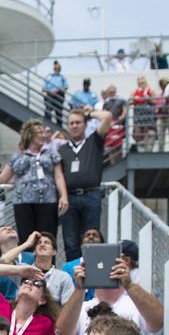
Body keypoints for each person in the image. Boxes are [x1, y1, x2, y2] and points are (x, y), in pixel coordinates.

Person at [59, 240, 164, 335]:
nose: (105, 268)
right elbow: (63, 333)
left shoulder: (136, 305)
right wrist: (79, 288)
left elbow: (159, 321)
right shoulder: (82, 306)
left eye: (112, 264)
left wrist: (129, 284)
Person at [0, 120, 67, 243]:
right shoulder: (17, 157)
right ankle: (26, 262)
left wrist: (64, 196)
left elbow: (59, 176)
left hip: (47, 201)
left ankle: (49, 262)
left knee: (47, 238)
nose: (43, 135)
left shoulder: (52, 154)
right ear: (29, 135)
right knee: (26, 239)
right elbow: (0, 179)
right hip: (23, 203)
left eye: (44, 132)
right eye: (39, 132)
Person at [58, 107, 114, 262]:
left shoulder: (94, 141)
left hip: (91, 195)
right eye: (71, 123)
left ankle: (94, 274)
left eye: (78, 122)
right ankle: (74, 278)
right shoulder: (62, 149)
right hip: (70, 198)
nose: (74, 126)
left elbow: (107, 116)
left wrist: (89, 114)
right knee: (70, 241)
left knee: (92, 238)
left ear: (85, 124)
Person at [0, 230, 75, 305]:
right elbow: (5, 260)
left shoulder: (63, 277)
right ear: (34, 252)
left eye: (46, 243)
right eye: (39, 243)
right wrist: (27, 243)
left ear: (54, 251)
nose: (42, 245)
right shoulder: (24, 270)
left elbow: (68, 307)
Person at [131, 74, 159, 152]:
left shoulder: (150, 90)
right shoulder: (135, 91)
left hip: (148, 113)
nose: (141, 81)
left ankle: (146, 148)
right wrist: (134, 99)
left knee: (146, 130)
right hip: (138, 113)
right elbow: (129, 101)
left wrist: (149, 99)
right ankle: (139, 148)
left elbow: (155, 101)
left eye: (142, 78)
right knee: (138, 131)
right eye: (139, 79)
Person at [41, 60, 68, 128]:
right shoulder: (49, 76)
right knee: (48, 112)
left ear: (59, 69)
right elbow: (43, 88)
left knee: (58, 113)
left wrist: (58, 90)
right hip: (50, 96)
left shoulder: (62, 77)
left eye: (57, 67)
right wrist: (50, 92)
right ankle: (47, 126)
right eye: (55, 67)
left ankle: (59, 127)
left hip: (59, 96)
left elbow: (66, 87)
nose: (55, 68)